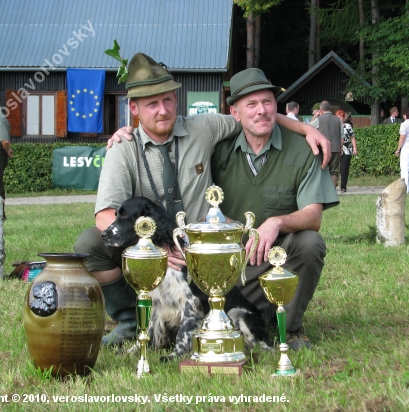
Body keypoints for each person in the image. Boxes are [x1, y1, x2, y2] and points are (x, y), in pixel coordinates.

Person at [74, 52, 331, 347]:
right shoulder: (123, 149)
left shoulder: (204, 128)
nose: (162, 110)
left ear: (176, 99)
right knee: (91, 243)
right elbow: (105, 217)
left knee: (297, 248)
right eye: (151, 104)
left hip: (207, 260)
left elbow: (254, 115)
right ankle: (130, 321)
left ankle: (267, 322)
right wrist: (156, 247)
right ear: (134, 107)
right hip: (156, 260)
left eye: (168, 100)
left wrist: (306, 127)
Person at [211, 69, 339, 350]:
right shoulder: (216, 149)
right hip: (232, 267)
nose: (262, 111)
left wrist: (277, 222)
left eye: (268, 102)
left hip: (277, 262)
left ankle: (290, 327)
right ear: (235, 112)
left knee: (309, 242)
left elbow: (314, 216)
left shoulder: (305, 149)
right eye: (251, 105)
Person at [310, 100, 343, 188]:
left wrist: (315, 116)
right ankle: (332, 191)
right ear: (330, 108)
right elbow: (342, 135)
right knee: (334, 171)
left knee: (321, 170)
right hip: (335, 147)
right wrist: (341, 147)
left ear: (320, 109)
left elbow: (308, 128)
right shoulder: (338, 120)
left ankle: (322, 189)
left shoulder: (318, 119)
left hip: (322, 149)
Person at [335, 110, 358, 193]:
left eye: (340, 117)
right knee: (334, 168)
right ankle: (334, 184)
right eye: (337, 117)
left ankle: (343, 186)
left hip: (347, 149)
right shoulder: (334, 126)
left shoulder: (348, 126)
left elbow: (352, 137)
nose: (339, 119)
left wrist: (355, 148)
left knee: (344, 169)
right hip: (336, 149)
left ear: (343, 117)